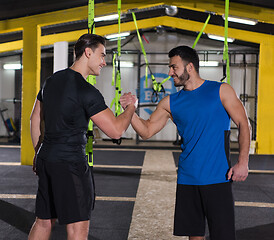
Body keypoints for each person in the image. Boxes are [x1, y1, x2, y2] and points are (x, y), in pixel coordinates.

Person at [120, 46, 251, 240]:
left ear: (189, 67)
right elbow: (146, 131)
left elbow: (243, 123)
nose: (170, 72)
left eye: (174, 67)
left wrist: (243, 162)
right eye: (170, 67)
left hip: (218, 177)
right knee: (194, 236)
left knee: (223, 235)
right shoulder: (170, 102)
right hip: (187, 178)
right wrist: (130, 110)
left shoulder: (221, 90)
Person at [28, 33, 137, 240]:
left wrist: (38, 152)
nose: (104, 62)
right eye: (102, 55)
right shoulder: (86, 91)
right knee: (78, 229)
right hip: (69, 165)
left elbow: (35, 119)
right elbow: (116, 130)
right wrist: (131, 107)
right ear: (88, 52)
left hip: (46, 159)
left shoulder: (51, 81)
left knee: (43, 222)